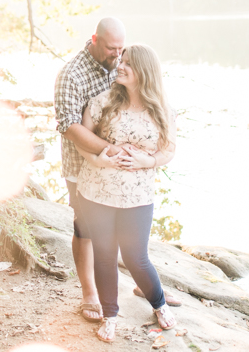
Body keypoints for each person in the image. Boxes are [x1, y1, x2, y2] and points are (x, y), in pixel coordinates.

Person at [74, 44, 177, 343]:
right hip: (97, 191)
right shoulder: (102, 102)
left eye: (128, 63)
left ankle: (158, 304)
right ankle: (110, 317)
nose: (120, 65)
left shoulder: (162, 110)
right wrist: (98, 158)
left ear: (144, 71)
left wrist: (149, 160)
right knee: (105, 256)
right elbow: (83, 139)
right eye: (122, 59)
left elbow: (169, 149)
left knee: (136, 257)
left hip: (137, 196)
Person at [54, 17, 127, 323]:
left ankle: (139, 281)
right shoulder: (72, 74)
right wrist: (106, 150)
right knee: (85, 228)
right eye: (112, 48)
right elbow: (69, 126)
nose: (118, 55)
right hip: (81, 166)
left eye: (121, 48)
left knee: (124, 222)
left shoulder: (121, 63)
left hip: (118, 165)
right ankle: (89, 294)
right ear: (95, 39)